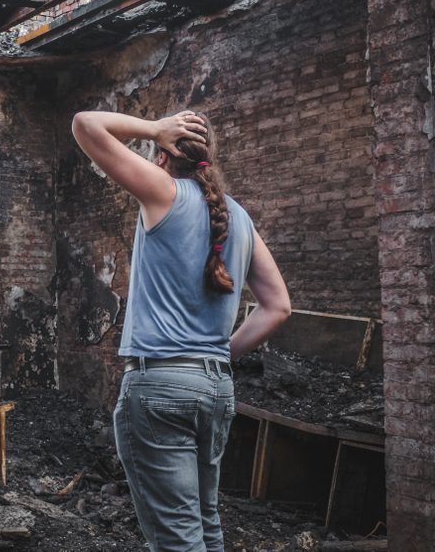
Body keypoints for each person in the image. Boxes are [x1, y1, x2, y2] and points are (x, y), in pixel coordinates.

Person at [71, 109, 291, 552]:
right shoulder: (240, 219)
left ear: (164, 157)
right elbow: (278, 307)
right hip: (215, 390)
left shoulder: (163, 192)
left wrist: (155, 128)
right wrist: (216, 356)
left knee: (178, 539)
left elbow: (84, 124)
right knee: (206, 525)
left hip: (159, 390)